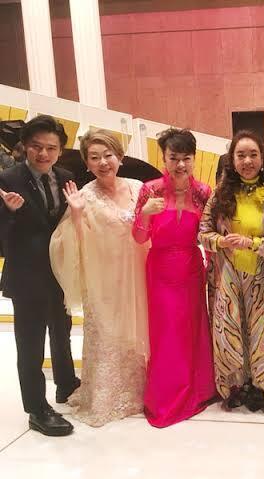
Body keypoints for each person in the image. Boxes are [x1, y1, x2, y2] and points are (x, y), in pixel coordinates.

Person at [49, 129, 149, 427]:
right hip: (103, 279)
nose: (103, 162)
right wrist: (76, 214)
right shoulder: (84, 196)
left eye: (108, 155)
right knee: (106, 336)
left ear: (120, 157)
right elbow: (69, 244)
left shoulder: (138, 188)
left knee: (137, 331)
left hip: (137, 275)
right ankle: (106, 396)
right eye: (94, 157)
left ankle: (141, 391)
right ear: (87, 163)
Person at [199, 131, 264, 411]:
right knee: (231, 332)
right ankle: (236, 386)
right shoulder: (220, 194)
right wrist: (221, 241)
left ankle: (260, 388)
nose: (247, 161)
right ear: (232, 159)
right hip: (227, 278)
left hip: (263, 278)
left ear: (263, 158)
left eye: (253, 154)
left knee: (261, 333)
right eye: (240, 155)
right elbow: (202, 233)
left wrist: (254, 244)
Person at [0, 115, 79, 436]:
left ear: (60, 151)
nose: (43, 154)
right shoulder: (8, 179)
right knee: (30, 343)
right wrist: (9, 213)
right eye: (36, 147)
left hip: (59, 271)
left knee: (62, 331)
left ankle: (66, 384)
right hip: (27, 275)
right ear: (24, 147)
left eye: (51, 148)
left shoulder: (67, 177)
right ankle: (36, 408)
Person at [132, 128, 216, 427]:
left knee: (193, 330)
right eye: (173, 158)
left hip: (192, 268)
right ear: (164, 158)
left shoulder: (203, 192)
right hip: (160, 270)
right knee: (165, 333)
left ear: (194, 159)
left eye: (186, 158)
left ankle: (200, 389)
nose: (180, 164)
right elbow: (139, 238)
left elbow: (209, 235)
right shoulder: (150, 190)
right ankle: (168, 394)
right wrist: (145, 214)